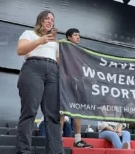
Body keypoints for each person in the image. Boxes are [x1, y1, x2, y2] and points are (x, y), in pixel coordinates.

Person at [16, 10, 64, 154]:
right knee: (29, 111)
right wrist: (40, 40)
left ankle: (56, 151)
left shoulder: (56, 43)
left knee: (53, 115)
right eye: (47, 18)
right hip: (33, 68)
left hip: (53, 72)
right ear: (40, 21)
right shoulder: (29, 34)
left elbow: (60, 62)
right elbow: (20, 50)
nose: (50, 21)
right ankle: (24, 151)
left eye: (52, 20)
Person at [59, 28, 93, 148]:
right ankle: (59, 138)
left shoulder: (80, 51)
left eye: (79, 35)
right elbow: (59, 62)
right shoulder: (62, 47)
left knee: (78, 110)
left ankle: (78, 140)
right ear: (68, 37)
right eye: (75, 35)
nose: (78, 37)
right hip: (65, 82)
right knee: (62, 110)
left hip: (78, 84)